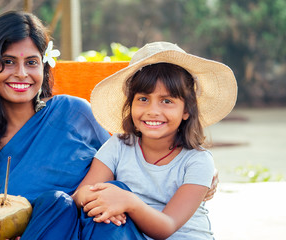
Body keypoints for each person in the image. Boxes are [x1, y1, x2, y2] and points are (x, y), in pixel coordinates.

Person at [0, 11, 218, 240]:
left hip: (108, 232)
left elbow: (133, 158)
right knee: (57, 203)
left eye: (31, 62)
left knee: (114, 193)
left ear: (43, 67)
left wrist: (191, 166)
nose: (21, 73)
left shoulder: (74, 112)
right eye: (7, 62)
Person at [72, 42, 237, 239]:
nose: (153, 110)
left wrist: (127, 202)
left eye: (167, 101)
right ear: (130, 104)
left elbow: (166, 226)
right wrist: (101, 200)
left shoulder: (198, 161)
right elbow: (79, 195)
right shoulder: (119, 146)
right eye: (143, 99)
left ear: (186, 110)